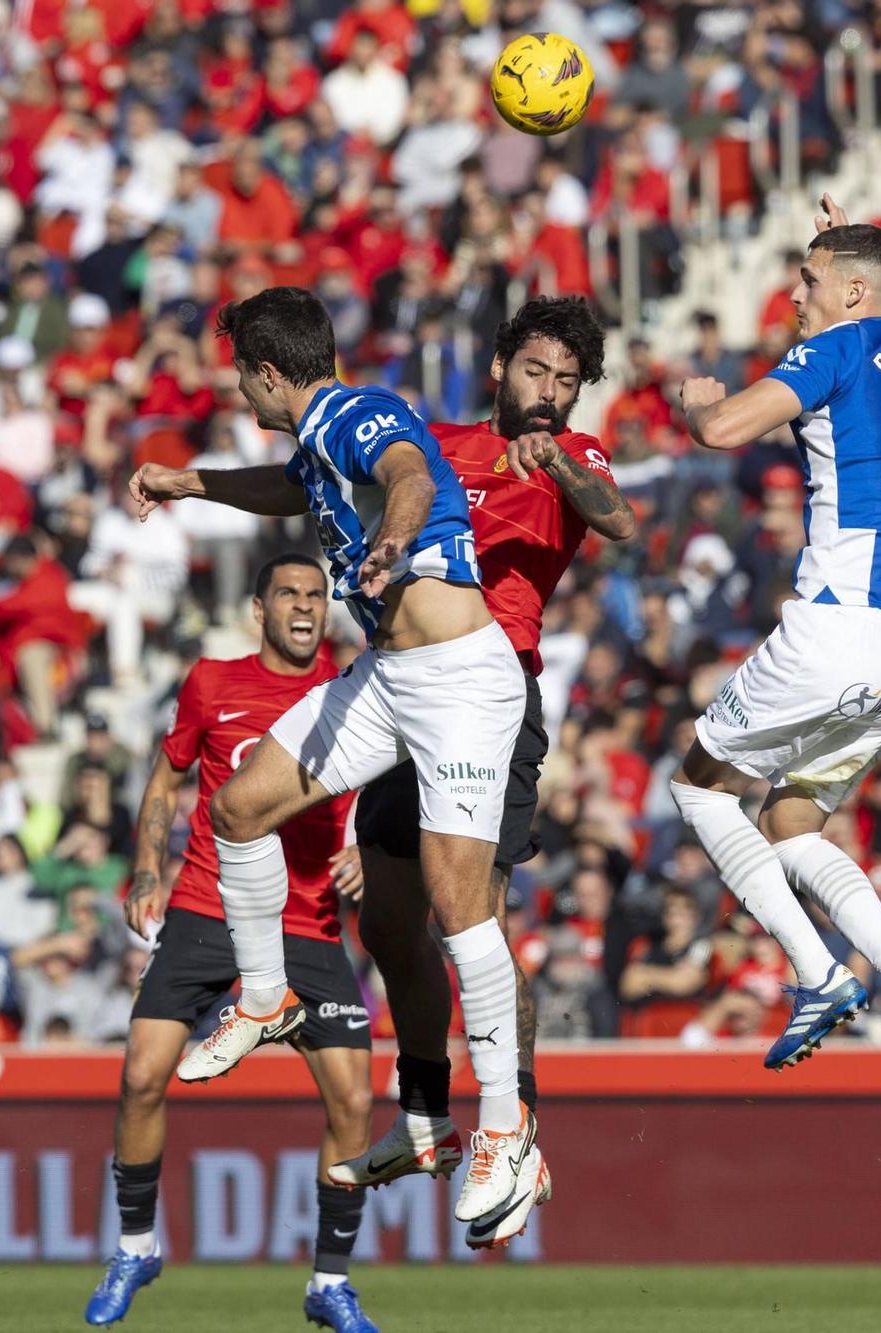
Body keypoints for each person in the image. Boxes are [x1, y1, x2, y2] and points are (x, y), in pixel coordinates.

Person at [126, 287, 535, 1227]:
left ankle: (507, 1128)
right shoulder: (315, 438)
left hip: (461, 682)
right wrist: (194, 482)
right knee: (238, 805)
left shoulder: (360, 412)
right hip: (392, 678)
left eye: (240, 375)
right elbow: (292, 487)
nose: (238, 388)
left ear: (269, 374)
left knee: (458, 904)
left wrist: (391, 543)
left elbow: (409, 476)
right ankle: (266, 994)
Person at [331, 296, 633, 1251]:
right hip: (411, 687)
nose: (550, 397)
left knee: (477, 920)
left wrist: (564, 473)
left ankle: (520, 1127)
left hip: (494, 699)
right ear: (501, 366)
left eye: (568, 384)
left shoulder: (575, 460)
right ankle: (425, 1115)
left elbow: (617, 519)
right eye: (538, 373)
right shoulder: (435, 444)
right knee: (386, 915)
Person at [670, 198, 881, 1101]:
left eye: (808, 280)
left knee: (696, 784)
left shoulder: (836, 346)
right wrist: (857, 245)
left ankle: (817, 971)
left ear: (851, 289)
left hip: (838, 624)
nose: (793, 295)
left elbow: (724, 433)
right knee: (792, 822)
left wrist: (699, 404)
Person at [85, 554, 376, 1331]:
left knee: (354, 1100)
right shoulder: (212, 682)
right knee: (142, 1075)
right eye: (289, 593)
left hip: (307, 922)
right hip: (205, 910)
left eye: (317, 594)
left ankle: (329, 1282)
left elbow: (392, 786)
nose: (306, 606)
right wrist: (146, 863)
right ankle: (136, 1245)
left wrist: (367, 851)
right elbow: (166, 774)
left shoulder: (354, 689)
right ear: (259, 609)